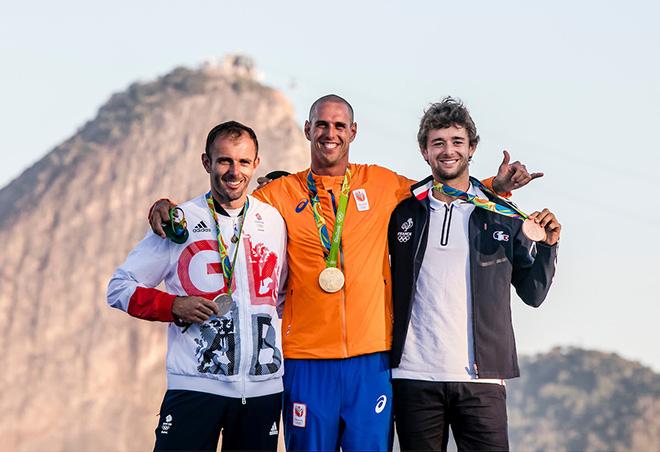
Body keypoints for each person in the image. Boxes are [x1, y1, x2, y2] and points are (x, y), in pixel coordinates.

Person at [149, 95, 540, 451]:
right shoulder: (277, 195)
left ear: (353, 132)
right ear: (308, 130)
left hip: (370, 361)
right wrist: (167, 207)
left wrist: (495, 186)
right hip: (305, 360)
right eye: (321, 124)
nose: (329, 133)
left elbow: (443, 190)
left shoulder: (383, 184)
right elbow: (224, 204)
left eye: (339, 126)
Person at [387, 97, 561, 451]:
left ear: (472, 148)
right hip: (413, 375)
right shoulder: (403, 211)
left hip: (483, 379)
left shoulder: (502, 214)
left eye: (456, 142)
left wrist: (547, 248)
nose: (447, 151)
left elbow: (533, 293)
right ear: (424, 151)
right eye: (438, 142)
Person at [107, 121, 287, 451]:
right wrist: (173, 306)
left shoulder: (275, 220)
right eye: (224, 161)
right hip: (195, 386)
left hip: (262, 390)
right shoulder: (181, 221)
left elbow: (286, 295)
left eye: (244, 162)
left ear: (256, 164)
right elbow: (119, 288)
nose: (234, 172)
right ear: (206, 162)